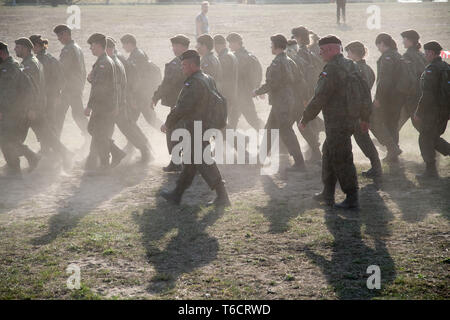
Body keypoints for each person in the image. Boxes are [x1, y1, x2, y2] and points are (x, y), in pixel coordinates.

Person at [160, 50, 230, 207]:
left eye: (184, 65)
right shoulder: (207, 78)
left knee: (204, 161)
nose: (182, 68)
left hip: (197, 127)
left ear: (192, 65)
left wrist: (168, 123)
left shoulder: (194, 83)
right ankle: (176, 195)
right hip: (205, 125)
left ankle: (223, 196)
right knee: (190, 164)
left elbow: (182, 107)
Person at [299, 35, 362, 209]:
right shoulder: (351, 65)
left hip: (337, 121)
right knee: (328, 152)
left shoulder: (331, 69)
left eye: (322, 51)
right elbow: (364, 91)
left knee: (342, 158)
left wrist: (306, 117)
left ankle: (352, 197)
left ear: (332, 50)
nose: (320, 54)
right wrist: (364, 116)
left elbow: (320, 97)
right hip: (350, 119)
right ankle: (327, 192)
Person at [15, 37, 72, 170]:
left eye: (17, 47)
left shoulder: (33, 62)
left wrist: (35, 106)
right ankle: (59, 153)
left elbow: (32, 88)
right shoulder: (42, 59)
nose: (15, 50)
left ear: (33, 46)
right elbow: (61, 80)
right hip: (42, 103)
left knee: (15, 137)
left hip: (33, 107)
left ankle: (34, 158)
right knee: (47, 133)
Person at [253, 34, 306, 173]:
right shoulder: (289, 60)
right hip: (287, 101)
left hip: (280, 102)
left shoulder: (278, 62)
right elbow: (299, 79)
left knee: (285, 131)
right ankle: (261, 160)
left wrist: (257, 92)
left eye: (272, 45)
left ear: (276, 46)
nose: (270, 47)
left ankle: (300, 163)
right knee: (270, 129)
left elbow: (272, 83)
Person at [106, 37, 151, 167]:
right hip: (113, 100)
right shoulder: (115, 58)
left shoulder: (117, 59)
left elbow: (129, 80)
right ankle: (100, 156)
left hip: (120, 100)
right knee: (103, 128)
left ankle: (145, 149)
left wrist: (131, 98)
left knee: (127, 126)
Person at [344, 41, 382, 179]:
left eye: (348, 52)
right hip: (364, 110)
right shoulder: (368, 69)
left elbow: (357, 92)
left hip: (357, 111)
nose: (347, 55)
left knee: (361, 140)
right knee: (363, 140)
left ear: (354, 53)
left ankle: (376, 168)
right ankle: (376, 168)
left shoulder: (355, 69)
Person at [152, 34, 190, 172]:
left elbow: (167, 84)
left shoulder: (179, 63)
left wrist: (156, 96)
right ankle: (180, 161)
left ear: (183, 47)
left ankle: (178, 162)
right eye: (173, 45)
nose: (173, 48)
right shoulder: (193, 61)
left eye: (176, 46)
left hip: (180, 104)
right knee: (180, 132)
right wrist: (156, 96)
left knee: (175, 132)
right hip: (183, 104)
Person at [414, 41, 450, 178]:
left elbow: (427, 94)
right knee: (433, 137)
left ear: (431, 52)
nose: (424, 55)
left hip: (432, 111)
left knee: (425, 138)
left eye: (426, 52)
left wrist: (419, 111)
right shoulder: (446, 67)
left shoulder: (431, 69)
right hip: (444, 111)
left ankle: (430, 170)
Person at [0, 42, 35, 178]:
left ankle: (30, 158)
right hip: (13, 111)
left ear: (1, 53)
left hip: (11, 112)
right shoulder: (11, 65)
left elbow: (6, 93)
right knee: (6, 139)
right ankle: (14, 166)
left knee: (7, 139)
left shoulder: (8, 68)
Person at [84, 33, 118, 175]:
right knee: (95, 131)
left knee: (96, 132)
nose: (90, 48)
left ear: (98, 45)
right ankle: (116, 153)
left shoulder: (103, 63)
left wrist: (89, 105)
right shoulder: (103, 61)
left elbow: (100, 88)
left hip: (103, 105)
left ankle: (107, 162)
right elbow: (99, 83)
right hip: (104, 104)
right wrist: (91, 79)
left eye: (92, 46)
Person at [53, 24, 88, 144]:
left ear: (67, 33)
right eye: (58, 36)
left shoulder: (68, 49)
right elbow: (83, 70)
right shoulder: (77, 47)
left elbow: (61, 70)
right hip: (75, 87)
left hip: (69, 88)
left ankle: (54, 144)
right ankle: (90, 138)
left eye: (60, 35)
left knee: (59, 114)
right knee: (77, 114)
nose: (59, 38)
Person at [120, 34, 162, 133]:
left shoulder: (137, 56)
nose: (123, 47)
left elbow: (137, 78)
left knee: (150, 119)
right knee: (131, 120)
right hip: (142, 94)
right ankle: (131, 146)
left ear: (130, 44)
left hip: (142, 95)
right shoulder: (137, 54)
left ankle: (172, 135)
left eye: (124, 44)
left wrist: (134, 97)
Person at [374, 33, 406, 163]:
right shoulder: (398, 55)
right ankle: (393, 151)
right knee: (392, 124)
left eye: (378, 45)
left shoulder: (387, 57)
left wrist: (378, 98)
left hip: (388, 97)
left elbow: (384, 80)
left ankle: (391, 148)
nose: (378, 48)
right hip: (398, 97)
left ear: (382, 43)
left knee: (376, 121)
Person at [226, 32, 264, 130]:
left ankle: (269, 135)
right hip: (242, 95)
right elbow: (258, 73)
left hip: (242, 95)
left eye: (231, 43)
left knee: (251, 120)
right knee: (234, 121)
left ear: (237, 43)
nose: (229, 45)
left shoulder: (237, 58)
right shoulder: (250, 56)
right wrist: (257, 88)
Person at [399, 30, 427, 131]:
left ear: (410, 41)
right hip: (423, 95)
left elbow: (408, 77)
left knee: (420, 127)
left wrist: (402, 92)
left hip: (412, 96)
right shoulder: (423, 55)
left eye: (404, 40)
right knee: (398, 121)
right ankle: (387, 142)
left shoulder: (407, 56)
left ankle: (387, 141)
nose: (402, 42)